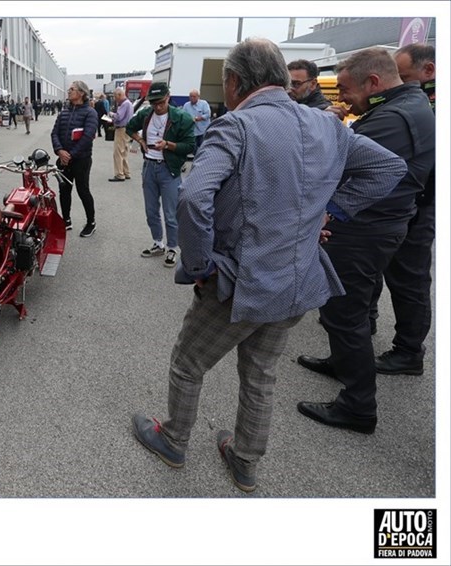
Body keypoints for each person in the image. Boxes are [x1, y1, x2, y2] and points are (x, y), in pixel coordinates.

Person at [131, 38, 407, 493]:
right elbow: (388, 169)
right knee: (260, 373)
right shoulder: (328, 125)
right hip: (298, 278)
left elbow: (194, 198)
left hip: (242, 278)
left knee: (187, 363)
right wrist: (329, 210)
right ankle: (244, 460)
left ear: (235, 81)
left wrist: (200, 268)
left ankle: (174, 439)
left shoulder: (236, 126)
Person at [296, 47, 434, 434]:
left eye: (345, 88)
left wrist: (328, 210)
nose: (342, 97)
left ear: (373, 82)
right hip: (381, 225)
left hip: (364, 229)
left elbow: (338, 166)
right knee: (352, 308)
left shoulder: (392, 118)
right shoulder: (409, 106)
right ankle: (342, 365)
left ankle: (357, 406)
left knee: (344, 313)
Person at [367, 43, 436, 376]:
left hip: (420, 205)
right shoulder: (413, 101)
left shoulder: (427, 106)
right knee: (380, 271)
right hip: (398, 204)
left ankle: (409, 352)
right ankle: (366, 328)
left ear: (429, 71)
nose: (400, 83)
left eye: (405, 77)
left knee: (409, 280)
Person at [125, 82, 195, 267]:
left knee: (170, 213)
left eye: (161, 102)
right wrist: (140, 140)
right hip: (149, 167)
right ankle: (158, 243)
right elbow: (129, 127)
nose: (157, 106)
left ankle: (172, 248)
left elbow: (190, 146)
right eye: (154, 103)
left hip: (168, 169)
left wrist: (168, 145)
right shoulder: (145, 114)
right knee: (151, 211)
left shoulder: (182, 118)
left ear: (168, 97)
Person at [51, 80, 98, 237]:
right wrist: (59, 151)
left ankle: (91, 222)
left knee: (82, 190)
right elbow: (54, 133)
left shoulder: (90, 113)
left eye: (72, 89)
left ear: (81, 93)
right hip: (63, 158)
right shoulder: (64, 112)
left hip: (81, 159)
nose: (69, 91)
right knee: (64, 190)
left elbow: (87, 137)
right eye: (69, 89)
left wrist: (70, 155)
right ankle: (66, 220)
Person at [109, 87, 134, 182]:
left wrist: (111, 114)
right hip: (127, 129)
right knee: (124, 152)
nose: (115, 99)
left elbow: (119, 117)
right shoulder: (129, 103)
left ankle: (119, 174)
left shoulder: (124, 104)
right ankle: (126, 172)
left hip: (121, 129)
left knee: (118, 152)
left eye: (115, 97)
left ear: (119, 95)